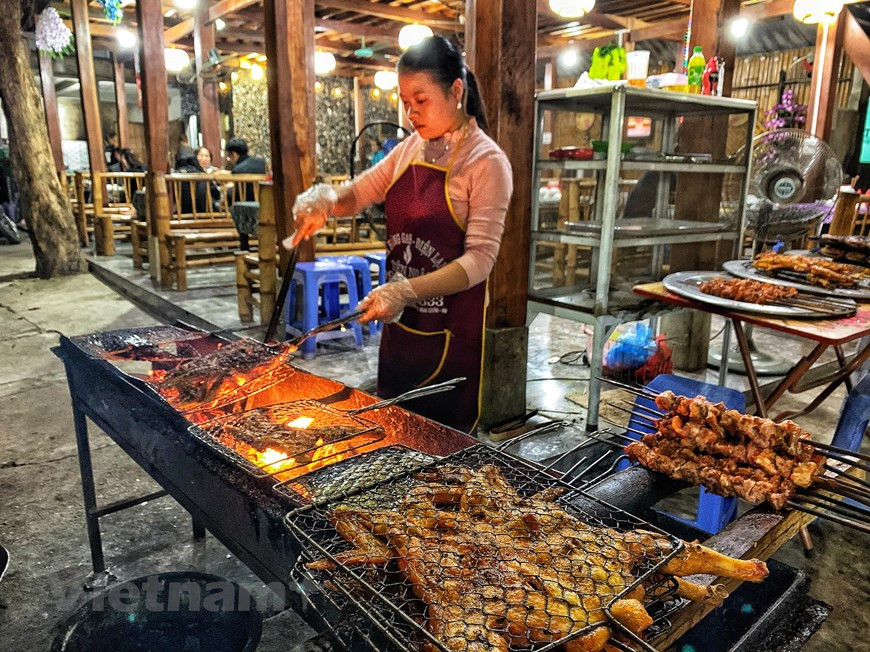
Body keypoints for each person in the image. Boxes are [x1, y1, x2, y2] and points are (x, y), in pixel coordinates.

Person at [290, 36, 513, 433]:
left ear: (456, 91)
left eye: (420, 100)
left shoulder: (486, 162)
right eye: (404, 100)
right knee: (393, 434)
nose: (410, 112)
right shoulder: (410, 148)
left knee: (442, 449)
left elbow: (480, 260)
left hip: (450, 335)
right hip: (400, 332)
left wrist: (406, 291)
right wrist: (324, 199)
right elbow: (358, 193)